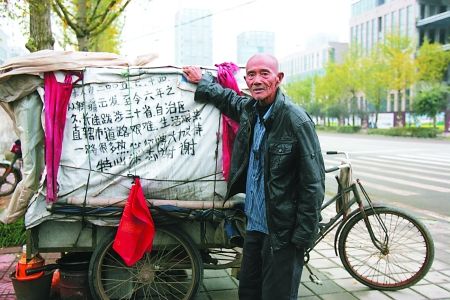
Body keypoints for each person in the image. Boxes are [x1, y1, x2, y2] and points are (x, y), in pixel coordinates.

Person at [182, 53, 325, 300]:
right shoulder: (251, 110)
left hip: (282, 232)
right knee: (248, 291)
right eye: (251, 74)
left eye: (264, 73)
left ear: (278, 78)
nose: (257, 80)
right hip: (255, 225)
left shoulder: (295, 120)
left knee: (276, 295)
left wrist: (302, 237)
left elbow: (313, 184)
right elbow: (228, 99)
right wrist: (202, 81)